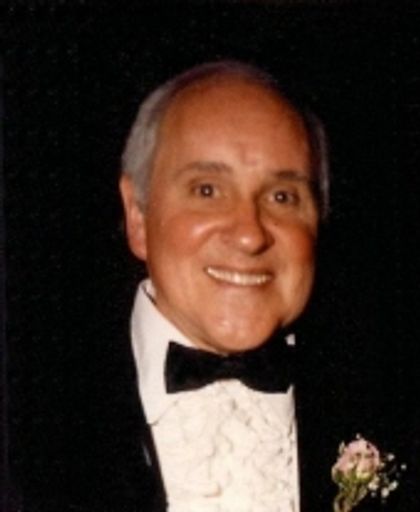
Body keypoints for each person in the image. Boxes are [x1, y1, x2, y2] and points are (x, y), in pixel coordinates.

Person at [18, 61, 416, 512]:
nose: (249, 234)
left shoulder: (389, 402)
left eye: (282, 196)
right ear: (138, 216)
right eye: (207, 190)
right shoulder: (30, 415)